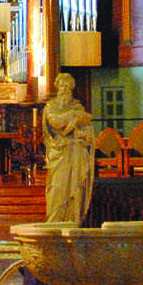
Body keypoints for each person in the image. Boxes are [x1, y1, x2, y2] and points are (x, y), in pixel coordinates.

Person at [42, 72, 95, 223]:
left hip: (75, 153)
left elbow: (87, 128)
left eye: (67, 86)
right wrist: (73, 117)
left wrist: (83, 133)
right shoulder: (51, 107)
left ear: (72, 88)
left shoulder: (78, 106)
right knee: (57, 187)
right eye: (61, 86)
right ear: (57, 87)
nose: (64, 89)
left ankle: (73, 219)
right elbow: (56, 122)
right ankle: (55, 221)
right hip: (59, 154)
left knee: (75, 189)